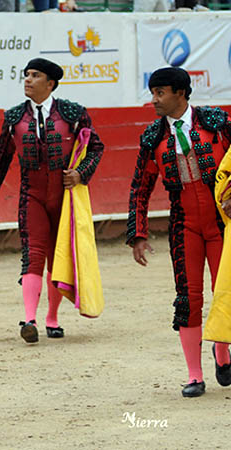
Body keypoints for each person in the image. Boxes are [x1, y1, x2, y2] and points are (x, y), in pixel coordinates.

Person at [127, 67, 231, 398]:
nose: (153, 99)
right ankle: (194, 375)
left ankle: (222, 353)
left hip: (221, 224)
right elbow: (140, 188)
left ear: (181, 93)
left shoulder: (217, 123)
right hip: (184, 224)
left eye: (160, 93)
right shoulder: (152, 138)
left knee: (226, 290)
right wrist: (138, 232)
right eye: (152, 92)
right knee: (188, 298)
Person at [0, 57, 104, 344]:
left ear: (50, 83)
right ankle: (30, 319)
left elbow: (96, 147)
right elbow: (2, 159)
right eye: (26, 74)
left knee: (57, 256)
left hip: (65, 196)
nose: (28, 79)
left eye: (35, 75)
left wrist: (80, 173)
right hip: (32, 195)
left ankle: (51, 317)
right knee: (33, 254)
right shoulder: (13, 117)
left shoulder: (73, 114)